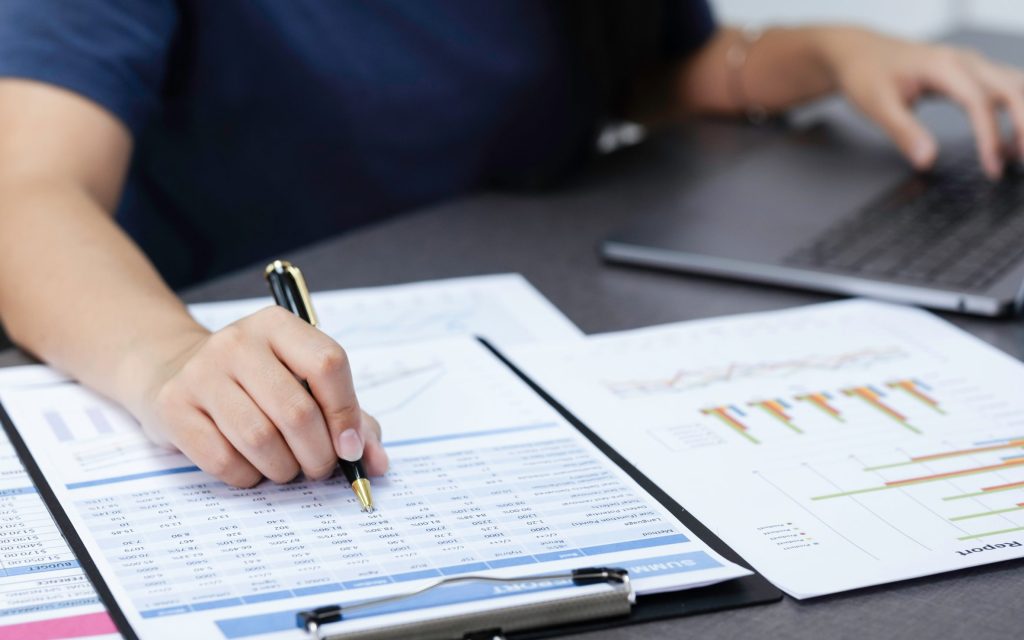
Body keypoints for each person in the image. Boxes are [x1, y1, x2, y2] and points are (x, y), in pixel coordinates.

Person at [0, 1, 1021, 488]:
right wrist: (170, 359)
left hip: (525, 342)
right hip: (219, 346)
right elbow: (23, 188)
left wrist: (830, 49)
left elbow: (657, 69)